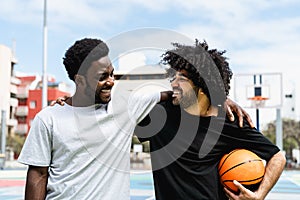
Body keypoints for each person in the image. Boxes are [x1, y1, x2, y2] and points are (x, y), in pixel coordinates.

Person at [18, 38, 251, 200]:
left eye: (111, 74)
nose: (111, 81)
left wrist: (218, 97)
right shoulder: (48, 118)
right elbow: (38, 175)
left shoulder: (126, 105)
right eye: (102, 77)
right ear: (79, 81)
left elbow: (176, 93)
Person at [136, 40, 286, 200]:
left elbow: (277, 157)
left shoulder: (229, 121)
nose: (173, 82)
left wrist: (259, 195)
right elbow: (122, 108)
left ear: (202, 86)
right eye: (174, 76)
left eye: (182, 78)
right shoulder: (160, 114)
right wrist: (167, 94)